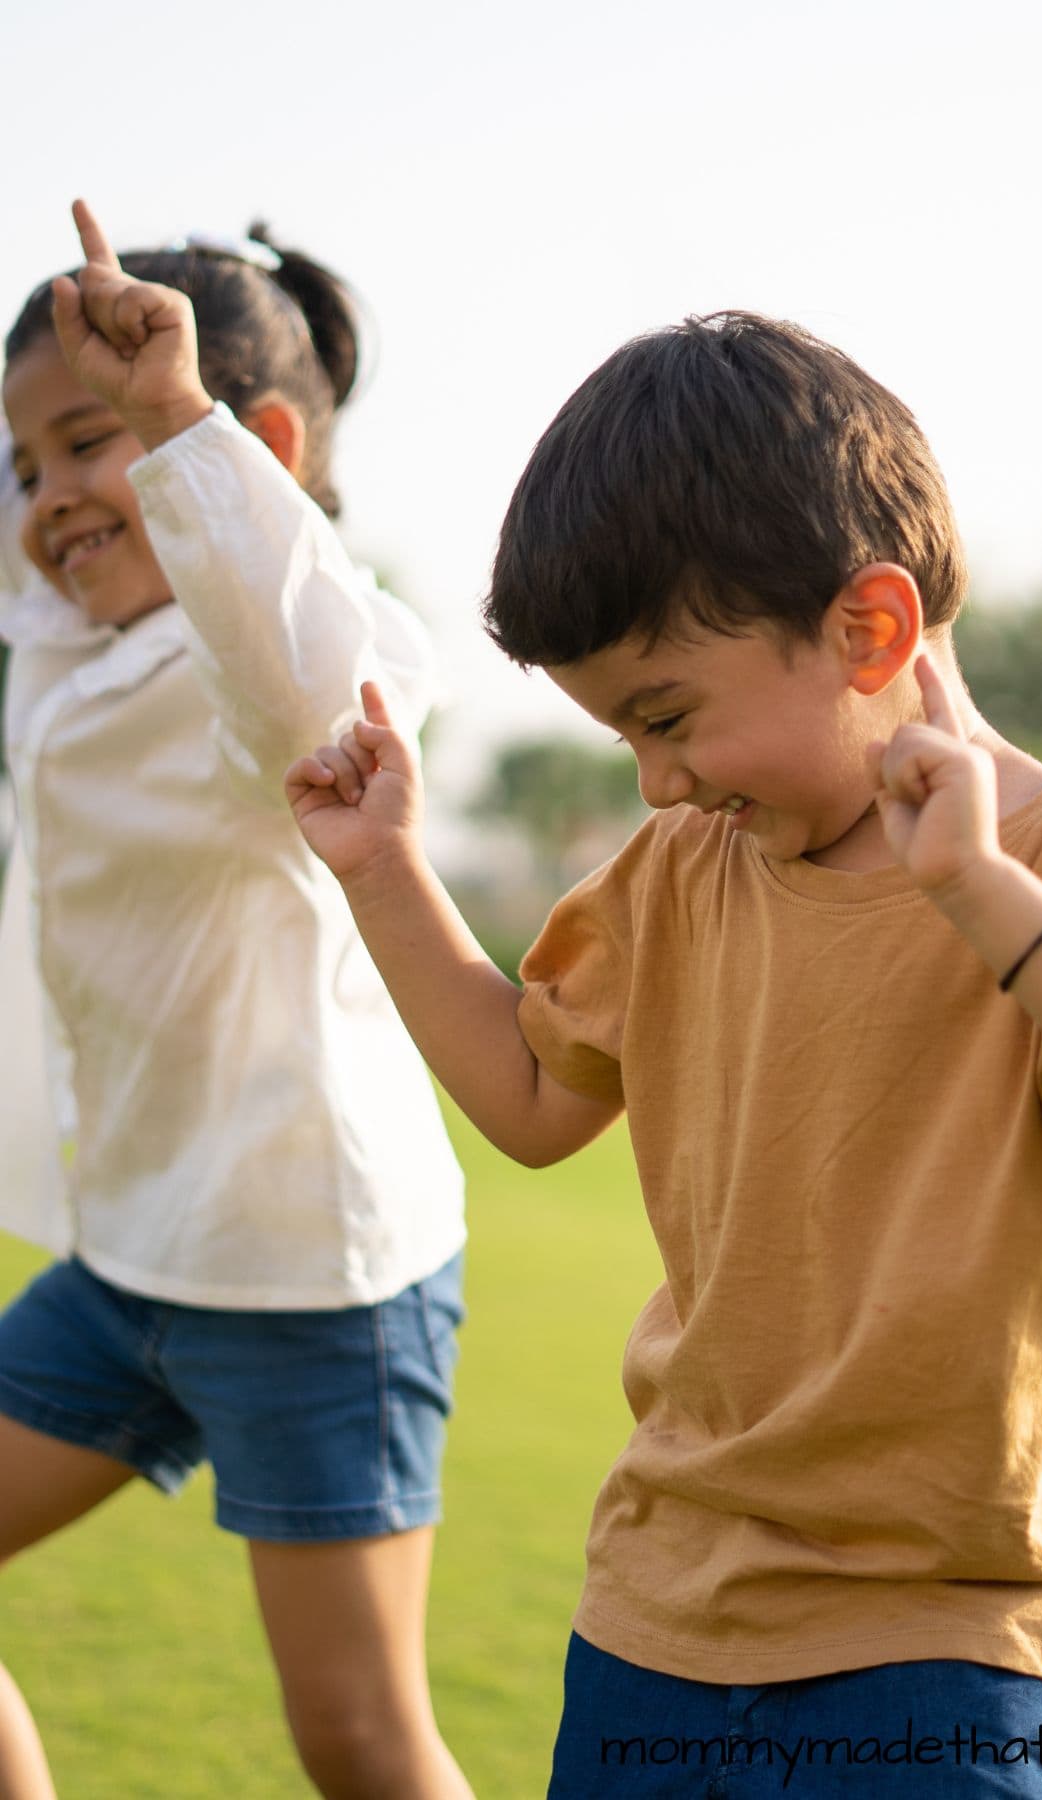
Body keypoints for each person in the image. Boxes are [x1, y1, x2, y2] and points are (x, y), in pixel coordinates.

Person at [286, 310, 1042, 1797]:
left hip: (950, 1648)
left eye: (669, 716)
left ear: (871, 631)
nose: (657, 780)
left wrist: (979, 890)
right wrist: (386, 871)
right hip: (659, 1617)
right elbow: (529, 1102)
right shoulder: (677, 871)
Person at [0, 202, 473, 1800]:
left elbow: (314, 680)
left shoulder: (257, 663)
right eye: (25, 467)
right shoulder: (61, 658)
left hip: (306, 1279)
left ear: (252, 453)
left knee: (357, 1739)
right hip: (132, 1261)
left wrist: (183, 432)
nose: (55, 498)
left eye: (89, 443)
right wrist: (131, 456)